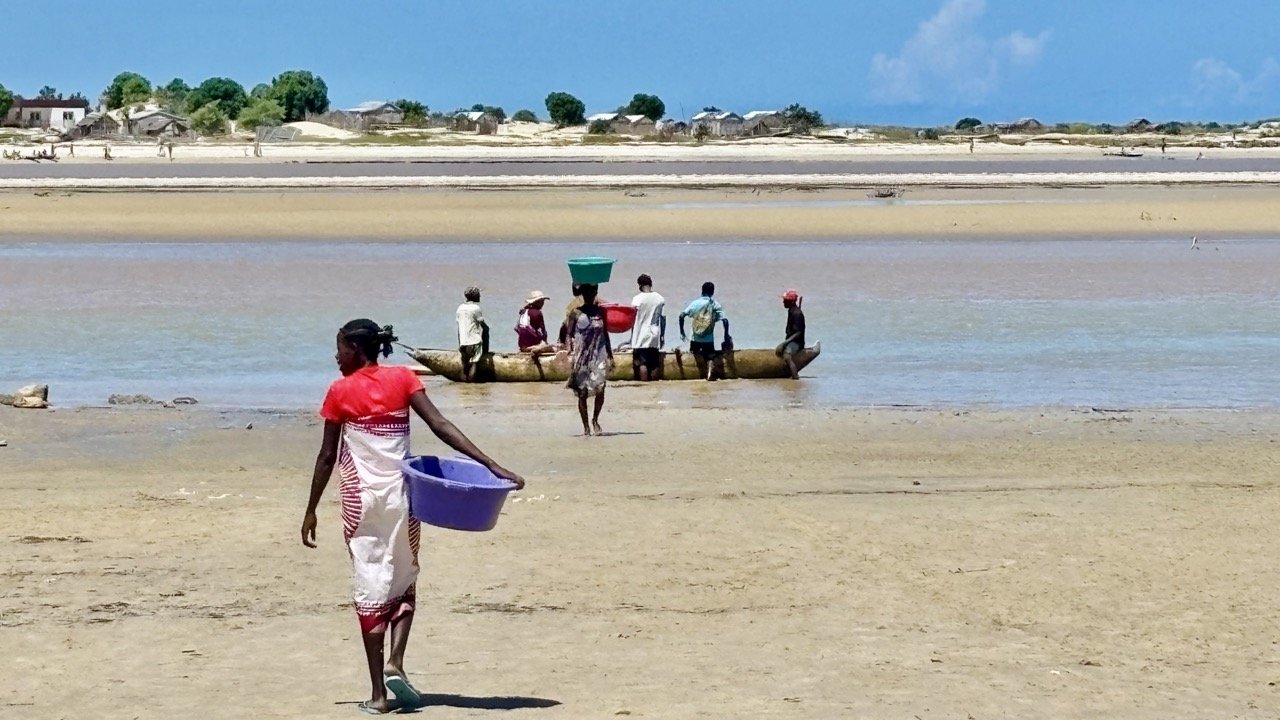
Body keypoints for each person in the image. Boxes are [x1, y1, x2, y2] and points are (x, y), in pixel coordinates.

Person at [301, 319, 523, 715]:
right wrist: (491, 465)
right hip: (406, 499)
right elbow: (441, 426)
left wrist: (311, 509)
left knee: (370, 585)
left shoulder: (339, 391)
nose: (336, 356)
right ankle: (396, 661)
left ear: (356, 349)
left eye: (340, 348)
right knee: (404, 577)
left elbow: (326, 457)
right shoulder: (403, 379)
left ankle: (378, 695)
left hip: (361, 504)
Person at [565, 283, 613, 435]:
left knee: (601, 388)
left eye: (593, 292)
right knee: (582, 393)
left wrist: (610, 354)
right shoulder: (575, 313)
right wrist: (569, 349)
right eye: (588, 293)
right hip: (582, 356)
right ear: (583, 295)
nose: (590, 296)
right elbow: (568, 334)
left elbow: (605, 333)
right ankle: (586, 427)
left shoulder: (600, 312)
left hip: (599, 355)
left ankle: (595, 420)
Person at [679, 281, 731, 381]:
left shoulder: (695, 303)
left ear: (702, 291)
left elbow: (681, 316)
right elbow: (725, 320)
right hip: (708, 339)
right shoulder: (715, 304)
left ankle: (695, 373)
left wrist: (682, 332)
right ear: (713, 292)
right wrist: (726, 336)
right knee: (710, 357)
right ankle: (710, 374)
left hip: (695, 338)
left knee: (694, 353)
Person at [630, 273, 666, 381]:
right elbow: (663, 319)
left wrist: (632, 336)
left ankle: (645, 386)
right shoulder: (660, 298)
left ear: (640, 285)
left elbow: (632, 318)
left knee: (643, 363)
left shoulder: (637, 299)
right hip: (654, 333)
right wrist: (662, 336)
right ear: (651, 284)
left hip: (640, 334)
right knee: (654, 363)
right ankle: (654, 385)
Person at [455, 287, 487, 383]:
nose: (480, 296)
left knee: (464, 365)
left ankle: (464, 387)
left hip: (463, 341)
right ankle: (472, 387)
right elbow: (483, 325)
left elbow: (459, 327)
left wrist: (460, 343)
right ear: (474, 296)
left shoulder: (460, 308)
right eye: (478, 295)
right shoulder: (475, 308)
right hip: (474, 340)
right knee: (474, 363)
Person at [775, 289, 806, 380]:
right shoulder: (791, 311)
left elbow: (798, 332)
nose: (783, 302)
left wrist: (785, 343)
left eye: (785, 300)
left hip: (797, 342)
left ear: (791, 302)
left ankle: (795, 377)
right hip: (791, 340)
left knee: (786, 355)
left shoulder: (797, 314)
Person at [516, 290, 554, 354]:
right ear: (536, 302)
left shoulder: (524, 312)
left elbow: (518, 329)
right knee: (554, 347)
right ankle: (537, 349)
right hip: (534, 346)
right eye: (541, 301)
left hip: (522, 346)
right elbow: (543, 332)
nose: (543, 303)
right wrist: (545, 343)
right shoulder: (538, 313)